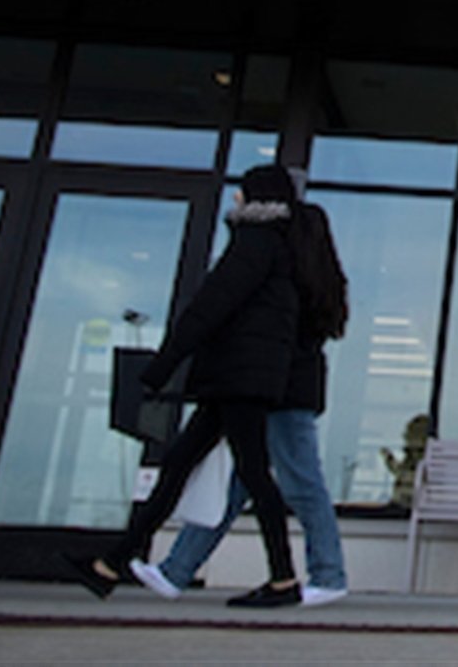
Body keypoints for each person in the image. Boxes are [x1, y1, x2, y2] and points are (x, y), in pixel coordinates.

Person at [62, 164, 311, 609]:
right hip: (240, 378)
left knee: (252, 475)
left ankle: (283, 578)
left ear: (257, 198)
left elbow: (209, 307)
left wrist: (163, 365)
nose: (233, 199)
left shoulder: (254, 244)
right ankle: (113, 562)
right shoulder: (276, 249)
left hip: (239, 379)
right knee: (180, 464)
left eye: (241, 192)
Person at [141, 194, 352, 608]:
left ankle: (329, 574)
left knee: (300, 480)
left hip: (281, 392)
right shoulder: (320, 279)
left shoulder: (294, 279)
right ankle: (176, 570)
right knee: (239, 483)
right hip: (281, 389)